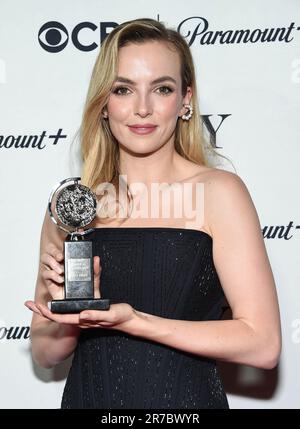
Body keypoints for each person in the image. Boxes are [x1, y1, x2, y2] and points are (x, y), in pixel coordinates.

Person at [25, 18, 281, 409]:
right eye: (123, 89)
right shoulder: (75, 204)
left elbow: (262, 344)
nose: (142, 108)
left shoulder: (219, 193)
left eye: (162, 88)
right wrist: (69, 315)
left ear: (185, 101)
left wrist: (134, 321)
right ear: (104, 104)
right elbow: (45, 353)